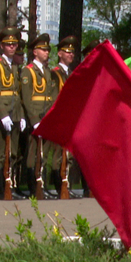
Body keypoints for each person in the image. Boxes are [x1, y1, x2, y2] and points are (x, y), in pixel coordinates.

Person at [20, 33, 56, 200]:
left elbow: (49, 96)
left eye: (47, 49)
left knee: (44, 153)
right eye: (43, 49)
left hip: (46, 117)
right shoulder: (28, 72)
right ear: (35, 52)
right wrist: (34, 121)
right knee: (32, 154)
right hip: (34, 118)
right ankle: (32, 186)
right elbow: (27, 99)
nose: (46, 52)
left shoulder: (47, 72)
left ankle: (42, 184)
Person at [0, 27, 26, 200]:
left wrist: (20, 115)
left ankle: (10, 185)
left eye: (14, 44)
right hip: (3, 115)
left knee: (13, 152)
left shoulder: (14, 66)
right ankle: (0, 188)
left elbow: (16, 93)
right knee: (0, 153)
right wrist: (3, 114)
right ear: (2, 46)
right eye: (8, 44)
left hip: (15, 113)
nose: (12, 47)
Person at [50, 35, 77, 199]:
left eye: (72, 52)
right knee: (57, 155)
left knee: (70, 155)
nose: (70, 55)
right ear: (60, 54)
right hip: (60, 118)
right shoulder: (55, 73)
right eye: (67, 52)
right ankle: (57, 185)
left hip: (70, 118)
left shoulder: (72, 73)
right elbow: (54, 97)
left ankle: (67, 184)